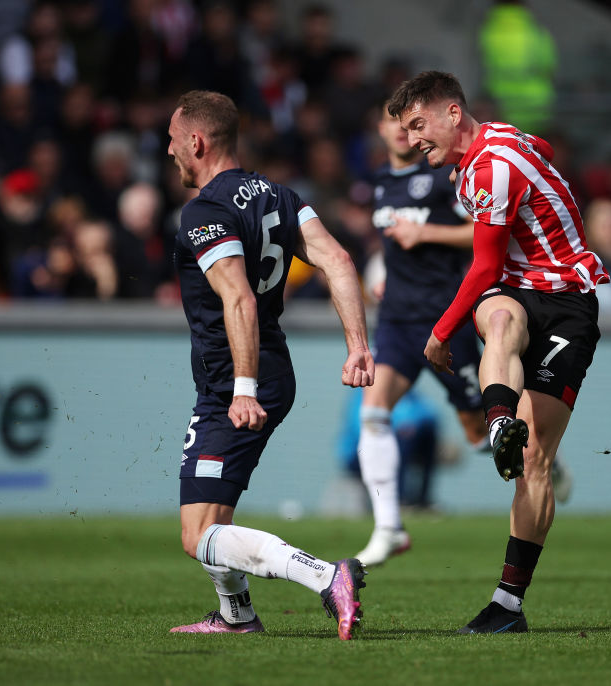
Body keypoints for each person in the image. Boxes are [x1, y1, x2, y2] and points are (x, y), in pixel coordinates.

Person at [387, 71, 608, 633]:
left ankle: (508, 606)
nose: (413, 140)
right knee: (501, 314)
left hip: (568, 305)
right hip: (517, 292)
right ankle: (500, 422)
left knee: (534, 463)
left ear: (453, 113)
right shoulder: (498, 147)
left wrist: (439, 333)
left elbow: (483, 264)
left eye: (419, 124)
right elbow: (545, 149)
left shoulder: (490, 165)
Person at [166, 90, 375, 640]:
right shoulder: (281, 196)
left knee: (198, 534)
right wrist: (357, 344)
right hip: (264, 369)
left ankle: (328, 576)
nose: (168, 151)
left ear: (197, 141)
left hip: (238, 379)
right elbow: (339, 260)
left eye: (172, 139)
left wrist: (241, 388)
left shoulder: (205, 211)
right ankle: (236, 617)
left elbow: (239, 299)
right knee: (213, 518)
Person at [353, 103, 485, 566]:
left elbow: (482, 233)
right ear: (381, 128)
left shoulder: (443, 177)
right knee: (373, 413)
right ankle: (388, 526)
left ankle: (540, 451)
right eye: (392, 121)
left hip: (446, 319)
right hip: (396, 318)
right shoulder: (378, 182)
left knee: (479, 431)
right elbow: (389, 243)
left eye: (410, 124)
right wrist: (380, 275)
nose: (401, 131)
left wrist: (425, 232)